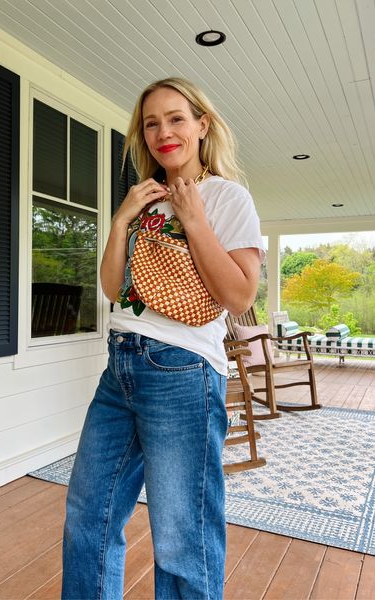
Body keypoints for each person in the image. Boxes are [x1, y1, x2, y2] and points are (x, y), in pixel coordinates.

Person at [62, 77, 265, 599]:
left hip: (182, 370)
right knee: (90, 514)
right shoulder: (143, 200)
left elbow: (239, 297)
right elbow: (111, 286)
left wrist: (194, 220)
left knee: (181, 536)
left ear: (202, 125)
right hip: (120, 366)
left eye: (176, 118)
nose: (163, 132)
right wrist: (122, 219)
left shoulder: (227, 196)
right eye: (151, 123)